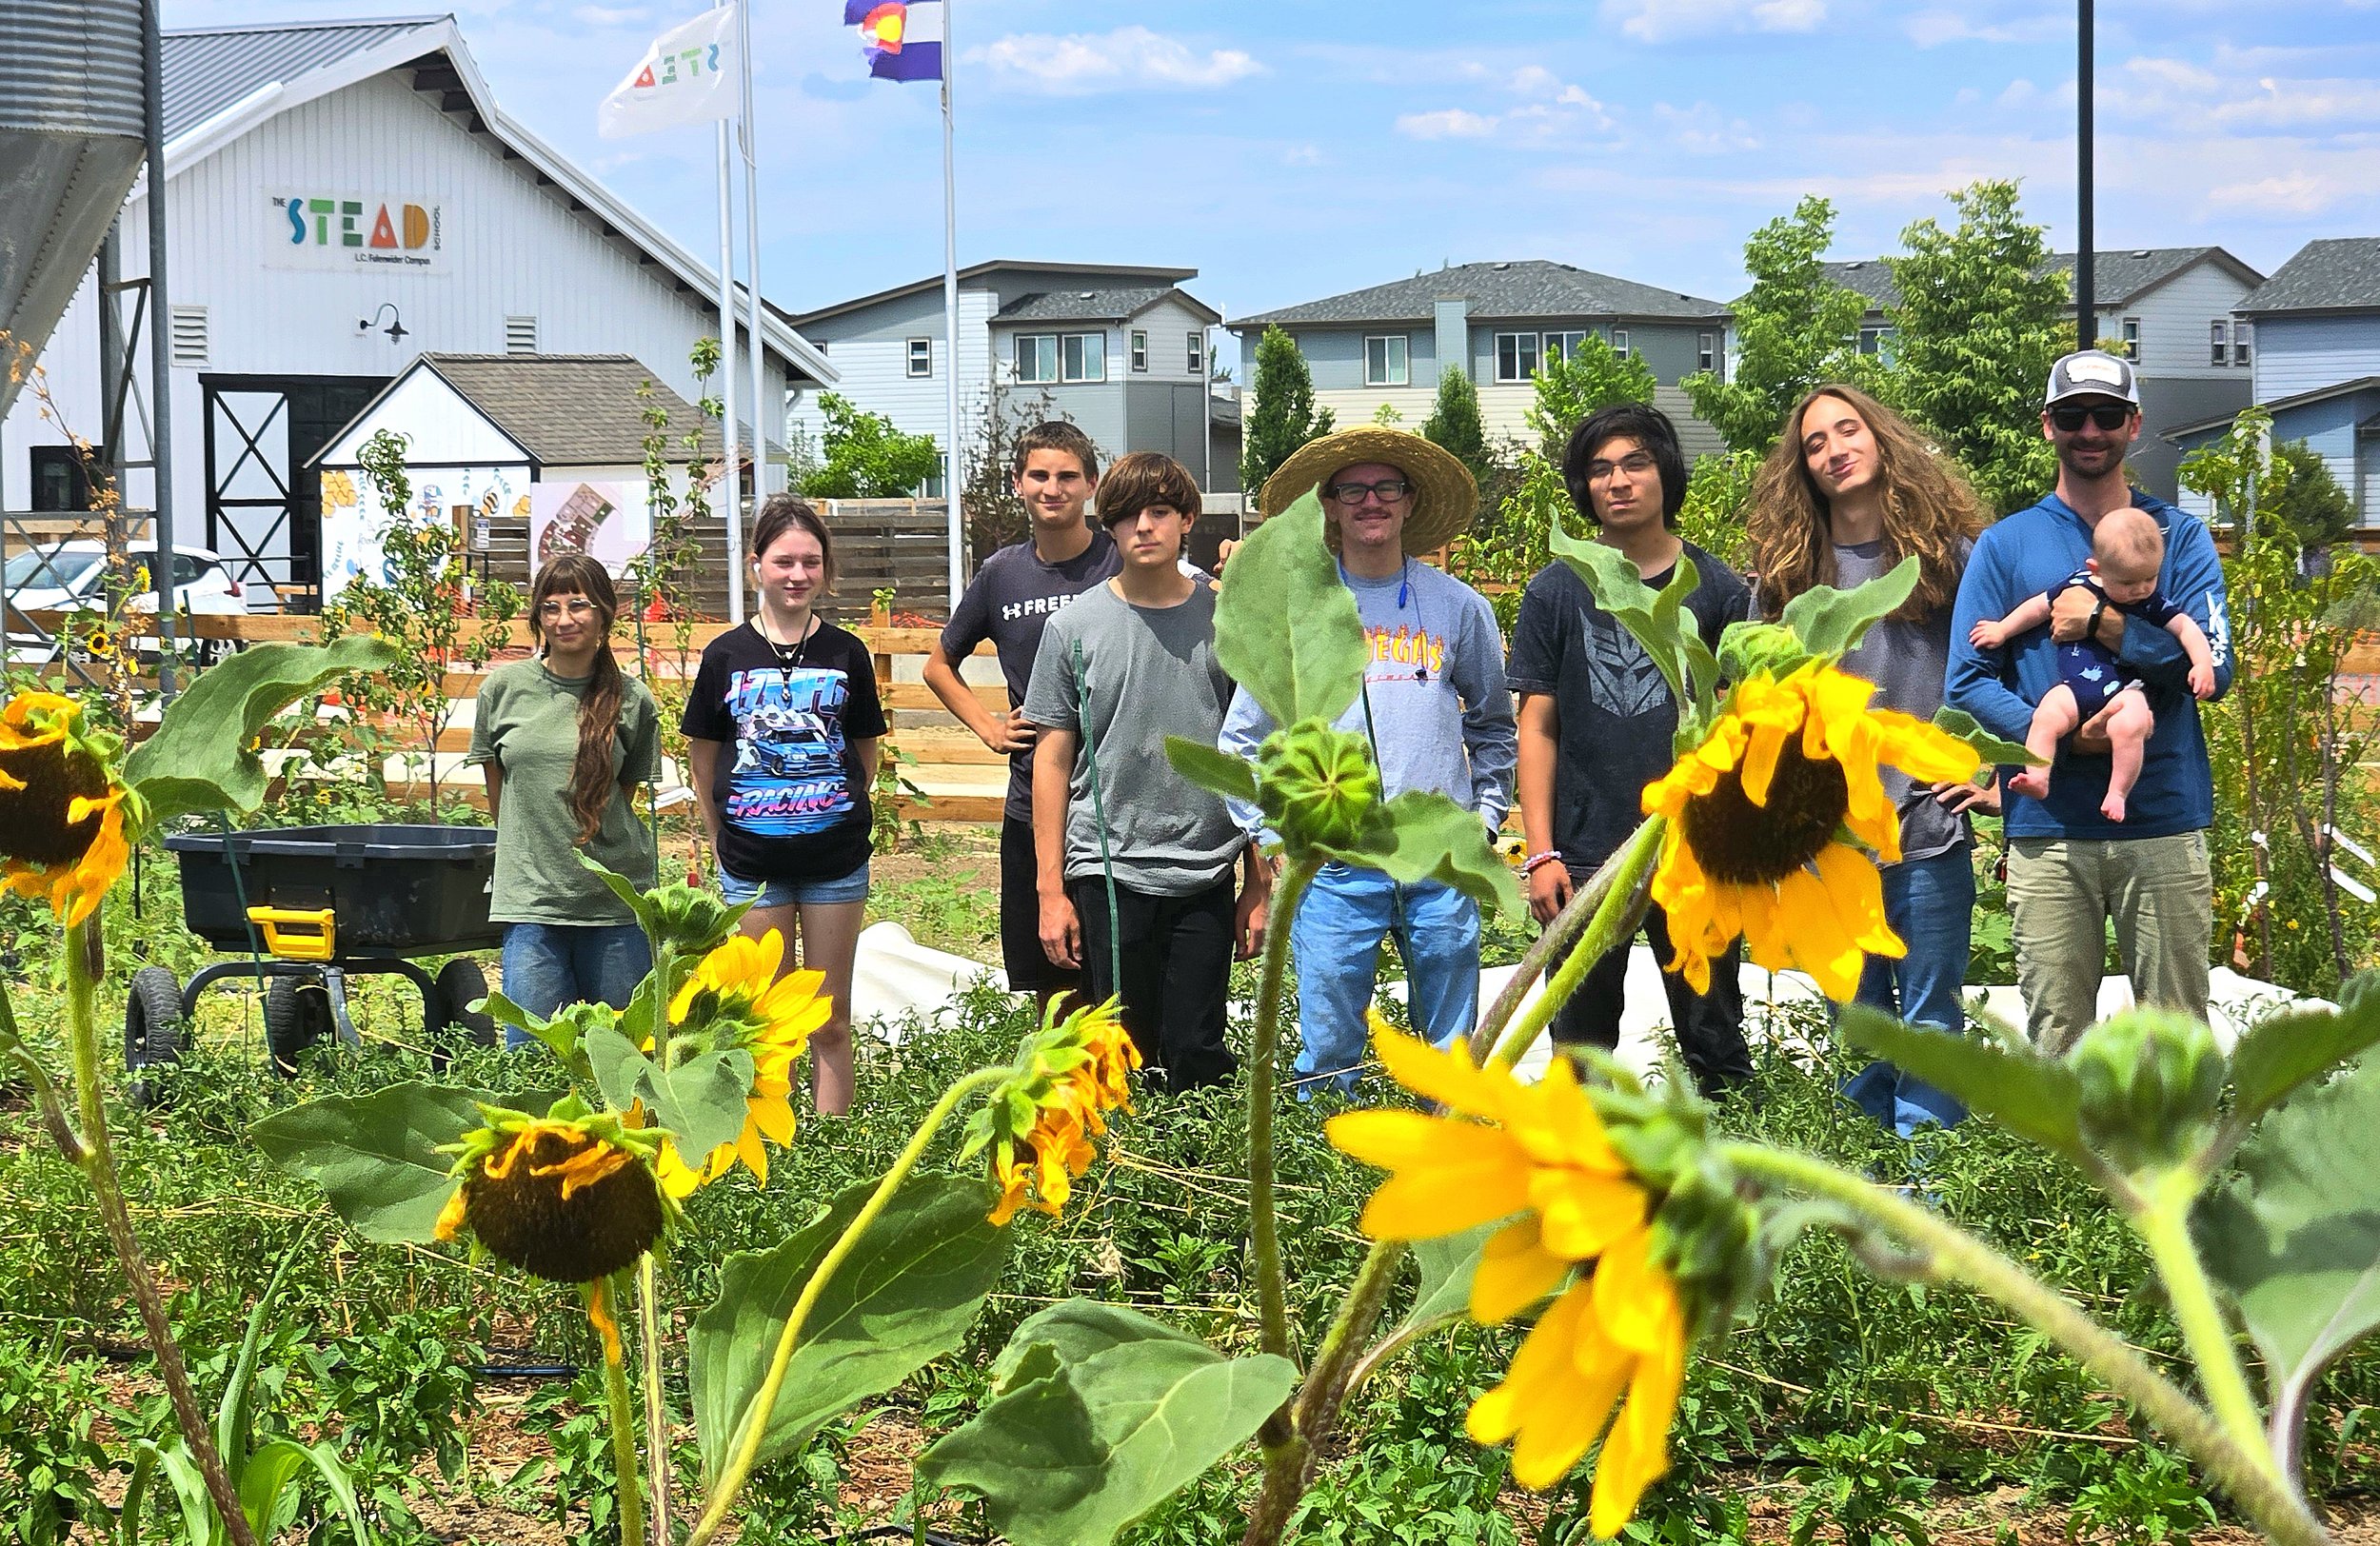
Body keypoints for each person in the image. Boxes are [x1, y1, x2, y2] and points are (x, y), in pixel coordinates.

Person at [1947, 349, 2232, 1056]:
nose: (2090, 430)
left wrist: (2104, 625)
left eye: (2107, 414)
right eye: (2074, 416)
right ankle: (2070, 1175)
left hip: (2162, 820)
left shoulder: (2181, 537)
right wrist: (2065, 741)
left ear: (2134, 425)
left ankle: (2179, 1170)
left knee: (2176, 1048)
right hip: (2048, 829)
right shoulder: (2006, 544)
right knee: (2058, 1042)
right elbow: (1968, 679)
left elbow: (2216, 667)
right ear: (2048, 426)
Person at [1217, 426, 1516, 1091]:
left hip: (1439, 856)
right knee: (1329, 1048)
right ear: (1328, 505)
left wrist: (1486, 820)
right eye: (1353, 489)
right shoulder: (1300, 611)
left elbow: (1494, 725)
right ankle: (1327, 1175)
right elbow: (1239, 742)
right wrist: (1270, 834)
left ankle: (1443, 1165)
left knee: (1450, 1048)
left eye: (1385, 488)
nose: (1370, 501)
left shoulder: (1458, 607)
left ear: (1410, 503)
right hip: (1332, 863)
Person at [1747, 383, 1994, 1135]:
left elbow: (2004, 672)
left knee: (1927, 1025)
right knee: (1855, 1029)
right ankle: (1871, 1203)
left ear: (1881, 440)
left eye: (1847, 430)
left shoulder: (1949, 559)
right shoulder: (1788, 576)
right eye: (1815, 443)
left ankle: (1932, 1206)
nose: (1834, 450)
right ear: (1803, 468)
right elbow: (1763, 705)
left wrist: (1989, 772)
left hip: (1925, 825)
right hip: (1832, 841)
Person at [1507, 402, 1755, 1097]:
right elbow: (1538, 724)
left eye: (1635, 463)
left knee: (1716, 1042)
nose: (1617, 481)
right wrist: (1541, 852)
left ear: (1666, 474)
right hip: (1587, 855)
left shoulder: (1719, 590)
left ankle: (1739, 1189)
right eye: (1599, 469)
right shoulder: (1559, 589)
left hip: (1693, 856)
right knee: (1581, 1052)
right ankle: (1583, 1191)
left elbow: (1741, 729)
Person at [1021, 452, 1268, 1093]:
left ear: (1188, 519)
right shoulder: (1072, 627)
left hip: (1206, 863)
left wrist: (1258, 879)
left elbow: (1252, 753)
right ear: (1108, 526)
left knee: (1196, 1048)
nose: (1144, 528)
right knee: (1121, 1050)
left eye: (1160, 512)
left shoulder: (1228, 622)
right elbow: (1050, 758)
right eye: (1127, 516)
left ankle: (1198, 1180)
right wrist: (1050, 890)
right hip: (1110, 866)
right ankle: (1123, 1178)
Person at [683, 495, 889, 1114]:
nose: (797, 574)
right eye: (783, 562)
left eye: (810, 561)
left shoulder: (847, 652)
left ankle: (829, 1158)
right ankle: (777, 1153)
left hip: (835, 865)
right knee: (768, 1026)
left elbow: (867, 751)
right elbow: (704, 760)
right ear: (756, 566)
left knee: (828, 1020)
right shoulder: (725, 655)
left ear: (825, 569)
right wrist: (723, 839)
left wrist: (830, 806)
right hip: (752, 869)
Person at [925, 422, 1118, 1014]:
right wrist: (988, 726)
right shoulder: (1002, 573)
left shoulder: (1120, 557)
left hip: (1115, 797)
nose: (1052, 488)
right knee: (1051, 969)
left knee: (1117, 968)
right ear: (1018, 484)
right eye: (1039, 475)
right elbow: (938, 664)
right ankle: (1060, 1092)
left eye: (1067, 476)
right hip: (1034, 797)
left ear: (1091, 484)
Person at [469, 554, 663, 1041]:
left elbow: (623, 793)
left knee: (622, 1060)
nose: (563, 619)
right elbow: (501, 791)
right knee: (530, 1057)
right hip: (532, 900)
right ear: (536, 618)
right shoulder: (503, 689)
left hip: (615, 902)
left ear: (603, 614)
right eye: (550, 607)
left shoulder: (633, 699)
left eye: (578, 605)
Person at [1969, 505, 2217, 823]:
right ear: (2096, 569)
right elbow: (2040, 607)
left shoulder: (2150, 603)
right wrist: (2003, 629)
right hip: (2076, 688)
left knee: (2131, 725)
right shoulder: (2079, 583)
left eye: (2150, 578)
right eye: (2128, 583)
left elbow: (2185, 627)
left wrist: (2202, 664)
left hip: (2126, 690)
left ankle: (2117, 792)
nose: (2141, 589)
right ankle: (2038, 777)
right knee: (2046, 715)